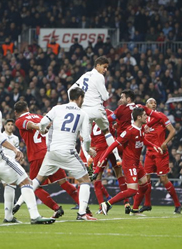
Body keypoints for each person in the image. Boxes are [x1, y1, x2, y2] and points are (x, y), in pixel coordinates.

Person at [0, 86, 55, 225]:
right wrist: (14, 149)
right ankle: (35, 216)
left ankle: (8, 216)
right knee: (26, 181)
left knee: (11, 182)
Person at [31, 87, 97, 221]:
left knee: (37, 181)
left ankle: (17, 204)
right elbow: (86, 138)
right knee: (85, 180)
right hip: (67, 151)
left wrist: (43, 130)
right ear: (79, 98)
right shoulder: (82, 114)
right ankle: (82, 213)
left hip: (52, 152)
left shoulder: (57, 108)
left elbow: (43, 122)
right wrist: (88, 150)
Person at [11, 101, 84, 219]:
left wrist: (38, 127)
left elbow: (29, 124)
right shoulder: (40, 117)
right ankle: (84, 209)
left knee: (34, 186)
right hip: (50, 153)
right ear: (28, 108)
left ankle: (56, 208)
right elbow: (50, 125)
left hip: (36, 156)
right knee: (63, 182)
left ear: (15, 112)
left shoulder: (19, 121)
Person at [98, 107, 163, 216]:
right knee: (132, 190)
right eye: (144, 115)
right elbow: (114, 144)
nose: (147, 117)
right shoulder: (129, 131)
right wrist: (103, 157)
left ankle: (134, 210)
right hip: (129, 164)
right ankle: (107, 204)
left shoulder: (141, 129)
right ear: (138, 117)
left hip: (137, 163)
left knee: (145, 185)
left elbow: (143, 140)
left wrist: (154, 146)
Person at [68, 56, 119, 163]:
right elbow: (105, 97)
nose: (105, 70)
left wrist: (74, 103)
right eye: (104, 67)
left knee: (84, 137)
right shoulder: (99, 77)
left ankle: (88, 158)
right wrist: (107, 93)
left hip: (85, 111)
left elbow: (70, 90)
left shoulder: (84, 75)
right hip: (97, 109)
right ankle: (117, 157)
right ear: (98, 66)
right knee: (106, 132)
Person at [139, 98, 181, 214]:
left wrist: (164, 143)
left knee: (163, 179)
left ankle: (177, 205)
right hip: (149, 152)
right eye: (151, 103)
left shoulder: (160, 116)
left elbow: (172, 131)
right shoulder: (143, 118)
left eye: (155, 103)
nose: (153, 104)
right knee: (146, 178)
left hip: (160, 152)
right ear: (146, 105)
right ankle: (147, 204)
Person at [0, 119, 20, 222]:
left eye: (12, 125)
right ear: (5, 126)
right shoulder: (0, 136)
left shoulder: (16, 138)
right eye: (8, 125)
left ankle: (9, 214)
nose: (10, 126)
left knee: (11, 187)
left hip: (14, 164)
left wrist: (19, 156)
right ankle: (8, 214)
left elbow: (17, 150)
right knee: (8, 186)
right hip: (3, 164)